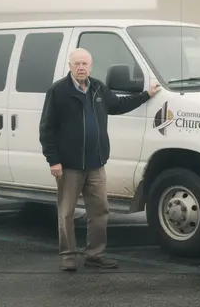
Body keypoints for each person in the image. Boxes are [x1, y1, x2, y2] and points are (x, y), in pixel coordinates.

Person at [39, 47, 160, 271]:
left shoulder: (98, 88)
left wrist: (146, 96)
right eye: (77, 63)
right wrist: (53, 160)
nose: (81, 67)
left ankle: (94, 254)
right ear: (70, 66)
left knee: (100, 211)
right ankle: (68, 257)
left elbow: (118, 105)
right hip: (69, 167)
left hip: (96, 165)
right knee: (66, 212)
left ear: (91, 65)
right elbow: (46, 129)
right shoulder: (58, 91)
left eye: (85, 63)